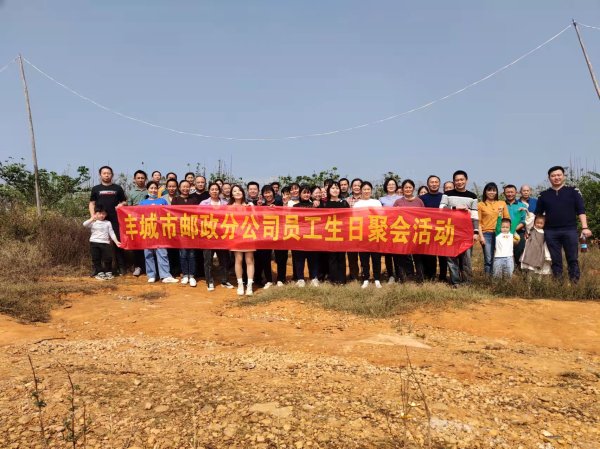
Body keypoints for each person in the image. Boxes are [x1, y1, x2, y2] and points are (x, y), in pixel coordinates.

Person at [535, 165, 592, 282]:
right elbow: (538, 215)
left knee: (573, 258)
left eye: (559, 175)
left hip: (570, 230)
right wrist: (533, 230)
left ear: (563, 176)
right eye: (553, 176)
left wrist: (585, 227)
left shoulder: (573, 192)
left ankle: (574, 283)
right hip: (550, 231)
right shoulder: (543, 195)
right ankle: (558, 284)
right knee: (555, 260)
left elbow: (581, 210)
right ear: (549, 178)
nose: (556, 177)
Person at [440, 170, 479, 287]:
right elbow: (441, 209)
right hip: (450, 230)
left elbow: (475, 215)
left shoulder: (473, 196)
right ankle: (455, 282)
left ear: (466, 180)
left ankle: (467, 282)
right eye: (457, 180)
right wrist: (456, 208)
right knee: (452, 258)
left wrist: (476, 232)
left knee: (466, 259)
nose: (459, 182)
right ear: (454, 181)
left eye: (462, 179)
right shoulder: (447, 194)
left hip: (466, 232)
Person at [89, 166, 127, 276]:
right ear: (100, 175)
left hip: (115, 219)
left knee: (117, 242)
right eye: (104, 173)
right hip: (100, 220)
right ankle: (98, 268)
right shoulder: (96, 189)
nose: (106, 175)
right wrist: (93, 217)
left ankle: (121, 267)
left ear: (112, 175)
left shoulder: (117, 188)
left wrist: (122, 204)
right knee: (98, 244)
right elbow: (92, 203)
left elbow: (124, 201)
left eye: (108, 173)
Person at [139, 181, 178, 284]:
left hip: (161, 231)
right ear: (147, 189)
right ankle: (151, 275)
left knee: (162, 253)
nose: (153, 190)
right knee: (148, 253)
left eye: (155, 188)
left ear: (158, 190)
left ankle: (165, 275)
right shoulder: (143, 203)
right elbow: (138, 217)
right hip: (148, 230)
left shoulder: (162, 201)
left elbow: (168, 214)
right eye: (151, 188)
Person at [200, 183, 231, 291]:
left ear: (219, 191)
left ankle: (224, 280)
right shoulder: (203, 203)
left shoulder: (225, 203)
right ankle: (209, 281)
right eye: (212, 189)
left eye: (216, 189)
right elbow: (198, 218)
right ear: (209, 191)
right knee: (208, 260)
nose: (214, 191)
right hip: (208, 236)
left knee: (224, 259)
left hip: (222, 236)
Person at [393, 179, 425, 283]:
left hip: (416, 233)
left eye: (410, 187)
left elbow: (424, 216)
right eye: (406, 187)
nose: (408, 189)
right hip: (403, 233)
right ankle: (406, 277)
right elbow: (393, 216)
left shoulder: (419, 201)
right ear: (402, 189)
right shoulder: (398, 202)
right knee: (403, 257)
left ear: (413, 189)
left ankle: (420, 278)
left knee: (418, 257)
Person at [354, 181, 383, 288]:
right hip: (363, 235)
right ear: (361, 191)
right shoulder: (357, 204)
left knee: (376, 258)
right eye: (364, 189)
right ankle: (365, 278)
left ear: (371, 190)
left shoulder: (376, 202)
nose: (366, 191)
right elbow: (355, 220)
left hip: (375, 233)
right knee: (364, 259)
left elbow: (382, 216)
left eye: (368, 189)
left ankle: (377, 279)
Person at [172, 180, 200, 287]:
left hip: (192, 230)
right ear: (179, 188)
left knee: (192, 254)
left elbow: (198, 213)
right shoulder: (175, 199)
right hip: (180, 231)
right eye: (183, 187)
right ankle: (185, 275)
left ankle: (192, 275)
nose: (185, 189)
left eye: (187, 187)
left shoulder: (194, 199)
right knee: (183, 254)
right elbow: (173, 214)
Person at [477, 182, 509, 275]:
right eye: (489, 190)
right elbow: (478, 222)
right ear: (485, 192)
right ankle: (488, 279)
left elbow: (507, 219)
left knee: (501, 257)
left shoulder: (502, 203)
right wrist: (481, 237)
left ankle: (499, 278)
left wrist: (506, 233)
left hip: (500, 234)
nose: (492, 192)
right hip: (486, 234)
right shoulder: (480, 204)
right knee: (488, 259)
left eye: (494, 190)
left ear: (496, 192)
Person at [229, 185, 256, 296]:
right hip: (236, 236)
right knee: (238, 259)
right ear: (232, 194)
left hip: (248, 234)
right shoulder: (229, 207)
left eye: (239, 190)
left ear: (243, 192)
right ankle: (240, 284)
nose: (237, 192)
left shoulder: (249, 205)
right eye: (234, 191)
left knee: (249, 260)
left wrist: (252, 208)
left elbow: (256, 219)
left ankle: (249, 285)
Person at [83, 205, 121, 280]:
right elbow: (84, 224)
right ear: (96, 214)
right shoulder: (93, 222)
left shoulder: (108, 223)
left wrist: (116, 242)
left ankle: (108, 272)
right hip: (94, 242)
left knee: (108, 258)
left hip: (105, 243)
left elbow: (111, 233)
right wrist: (92, 218)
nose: (101, 215)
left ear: (106, 214)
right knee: (96, 258)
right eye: (99, 213)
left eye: (103, 214)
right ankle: (99, 272)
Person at [420, 175, 447, 281]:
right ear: (428, 184)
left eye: (436, 182)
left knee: (443, 255)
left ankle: (443, 277)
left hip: (442, 229)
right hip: (428, 230)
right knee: (430, 255)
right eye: (432, 182)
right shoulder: (422, 198)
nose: (434, 184)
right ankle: (431, 276)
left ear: (439, 184)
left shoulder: (444, 197)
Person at [256, 185, 283, 288]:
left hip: (279, 234)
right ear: (263, 195)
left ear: (273, 193)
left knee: (280, 257)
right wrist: (259, 208)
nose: (268, 195)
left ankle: (280, 279)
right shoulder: (261, 205)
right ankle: (269, 280)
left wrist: (276, 209)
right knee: (265, 257)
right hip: (265, 234)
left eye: (269, 192)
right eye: (265, 193)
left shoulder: (279, 203)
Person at [293, 185, 320, 287]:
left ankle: (314, 278)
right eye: (304, 192)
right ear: (300, 194)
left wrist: (318, 206)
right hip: (299, 237)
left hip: (312, 236)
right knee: (299, 259)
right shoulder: (295, 207)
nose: (306, 194)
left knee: (313, 259)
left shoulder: (315, 205)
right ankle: (300, 279)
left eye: (308, 192)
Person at [324, 181, 349, 284]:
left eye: (337, 188)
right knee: (332, 257)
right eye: (333, 188)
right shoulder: (324, 204)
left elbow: (349, 218)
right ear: (329, 190)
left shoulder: (344, 203)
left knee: (341, 257)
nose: (335, 190)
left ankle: (342, 279)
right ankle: (333, 279)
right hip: (329, 234)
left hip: (341, 233)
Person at [379, 177, 401, 283]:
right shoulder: (381, 199)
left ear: (396, 186)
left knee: (398, 253)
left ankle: (399, 274)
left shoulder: (401, 198)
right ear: (386, 186)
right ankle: (391, 275)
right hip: (386, 228)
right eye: (389, 184)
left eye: (393, 184)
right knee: (388, 253)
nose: (391, 186)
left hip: (398, 228)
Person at [127, 169, 148, 277]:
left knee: (148, 245)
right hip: (136, 222)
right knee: (137, 245)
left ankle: (148, 267)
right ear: (134, 179)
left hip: (148, 222)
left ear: (146, 179)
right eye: (138, 178)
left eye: (142, 178)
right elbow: (128, 208)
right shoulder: (131, 193)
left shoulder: (150, 191)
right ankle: (138, 266)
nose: (140, 180)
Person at [503, 184, 527, 268]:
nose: (510, 194)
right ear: (504, 193)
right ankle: (507, 271)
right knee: (505, 253)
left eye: (512, 192)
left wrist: (513, 230)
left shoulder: (522, 206)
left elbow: (524, 221)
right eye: (507, 192)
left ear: (516, 193)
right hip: (504, 232)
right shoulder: (501, 205)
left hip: (519, 232)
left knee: (519, 252)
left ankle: (519, 270)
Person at [346, 178, 363, 281]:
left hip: (364, 231)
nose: (357, 187)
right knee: (352, 256)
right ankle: (354, 276)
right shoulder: (347, 200)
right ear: (351, 187)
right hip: (351, 231)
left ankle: (364, 275)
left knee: (364, 255)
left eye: (359, 185)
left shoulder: (366, 200)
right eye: (355, 185)